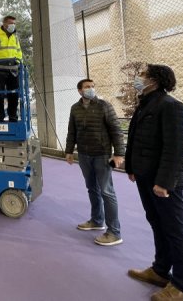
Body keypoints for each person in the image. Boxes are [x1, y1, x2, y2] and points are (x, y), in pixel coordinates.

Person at [125, 64, 183, 301]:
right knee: (157, 222)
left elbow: (176, 149)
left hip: (163, 181)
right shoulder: (145, 104)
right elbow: (135, 138)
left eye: (143, 75)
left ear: (154, 80)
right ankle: (160, 270)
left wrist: (164, 182)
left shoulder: (171, 106)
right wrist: (132, 168)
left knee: (175, 230)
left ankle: (181, 286)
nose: (139, 78)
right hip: (145, 177)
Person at [65, 79, 125, 246]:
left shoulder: (104, 106)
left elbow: (116, 130)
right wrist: (69, 151)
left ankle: (114, 232)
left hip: (102, 155)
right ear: (80, 91)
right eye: (87, 87)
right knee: (92, 188)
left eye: (92, 86)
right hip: (84, 156)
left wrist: (119, 153)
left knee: (107, 191)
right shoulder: (75, 108)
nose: (91, 89)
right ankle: (97, 220)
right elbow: (72, 131)